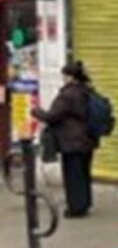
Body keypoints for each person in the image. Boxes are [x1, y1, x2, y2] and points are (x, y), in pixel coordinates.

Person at [32, 61, 97, 218]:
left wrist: (36, 111)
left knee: (73, 175)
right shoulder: (87, 91)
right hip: (87, 139)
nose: (63, 78)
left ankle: (75, 208)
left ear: (71, 77)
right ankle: (85, 203)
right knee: (83, 173)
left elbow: (52, 116)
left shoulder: (68, 95)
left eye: (65, 75)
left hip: (72, 140)